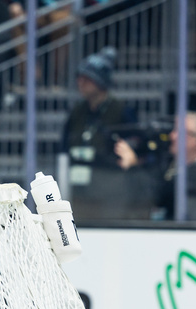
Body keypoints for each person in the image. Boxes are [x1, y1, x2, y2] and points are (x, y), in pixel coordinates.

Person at [61, 47, 136, 220]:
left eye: (87, 79)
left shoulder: (122, 112)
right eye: (79, 78)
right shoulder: (77, 112)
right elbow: (64, 147)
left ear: (100, 82)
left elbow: (132, 149)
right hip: (79, 189)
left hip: (110, 189)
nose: (80, 82)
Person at [116, 110, 196, 221]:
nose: (172, 136)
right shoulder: (170, 164)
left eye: (179, 132)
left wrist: (133, 167)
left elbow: (157, 195)